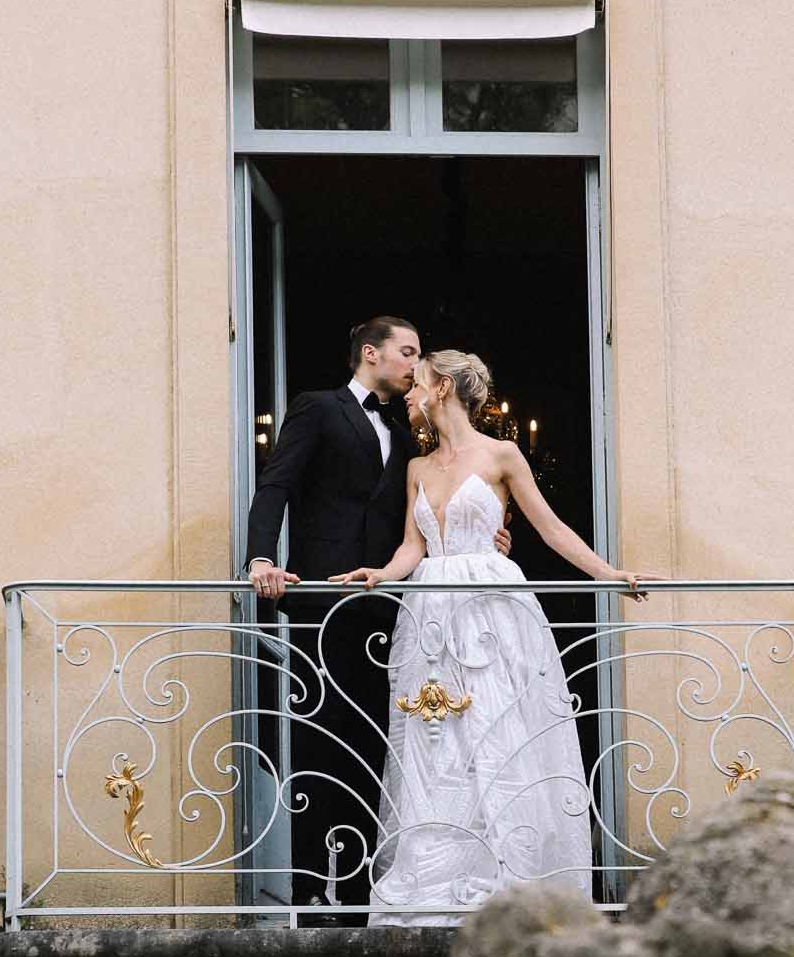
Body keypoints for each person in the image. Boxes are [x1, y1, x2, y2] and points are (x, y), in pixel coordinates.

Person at [332, 348, 647, 924]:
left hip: (493, 604)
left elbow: (550, 527)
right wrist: (381, 574)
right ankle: (435, 878)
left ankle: (512, 876)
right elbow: (411, 545)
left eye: (417, 383)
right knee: (435, 739)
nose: (409, 392)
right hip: (430, 607)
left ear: (442, 387)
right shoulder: (417, 468)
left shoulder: (502, 455)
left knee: (498, 729)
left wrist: (608, 574)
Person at [243, 317, 509, 914]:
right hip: (322, 598)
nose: (416, 367)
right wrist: (262, 557)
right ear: (371, 352)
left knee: (384, 742)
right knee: (320, 740)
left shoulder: (409, 431)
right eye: (407, 353)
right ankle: (312, 889)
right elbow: (276, 485)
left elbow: (427, 514)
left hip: (395, 606)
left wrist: (482, 538)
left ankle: (367, 888)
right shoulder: (318, 408)